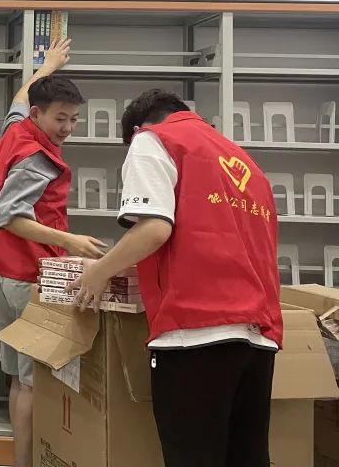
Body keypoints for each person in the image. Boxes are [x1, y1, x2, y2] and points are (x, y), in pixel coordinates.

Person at [70, 89, 282, 467]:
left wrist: (99, 272)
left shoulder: (153, 139)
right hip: (258, 337)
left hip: (194, 333)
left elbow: (154, 229)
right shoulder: (242, 160)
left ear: (136, 129)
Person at [0, 38, 105, 467]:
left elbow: (20, 97)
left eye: (74, 118)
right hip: (27, 278)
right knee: (33, 382)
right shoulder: (36, 157)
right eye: (60, 118)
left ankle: (24, 459)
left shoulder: (16, 129)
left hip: (2, 272)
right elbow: (10, 215)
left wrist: (47, 66)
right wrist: (72, 243)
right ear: (39, 115)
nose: (68, 127)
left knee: (20, 379)